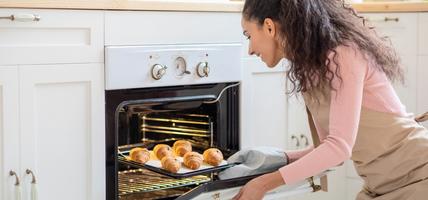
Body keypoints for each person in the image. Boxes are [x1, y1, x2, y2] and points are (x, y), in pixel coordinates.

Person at [230, 0, 428, 199]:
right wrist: (271, 159)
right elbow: (328, 149)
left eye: (249, 36)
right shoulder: (309, 69)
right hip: (380, 186)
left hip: (418, 177)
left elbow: (338, 149)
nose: (250, 50)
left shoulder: (343, 54)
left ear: (269, 27)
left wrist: (264, 184)